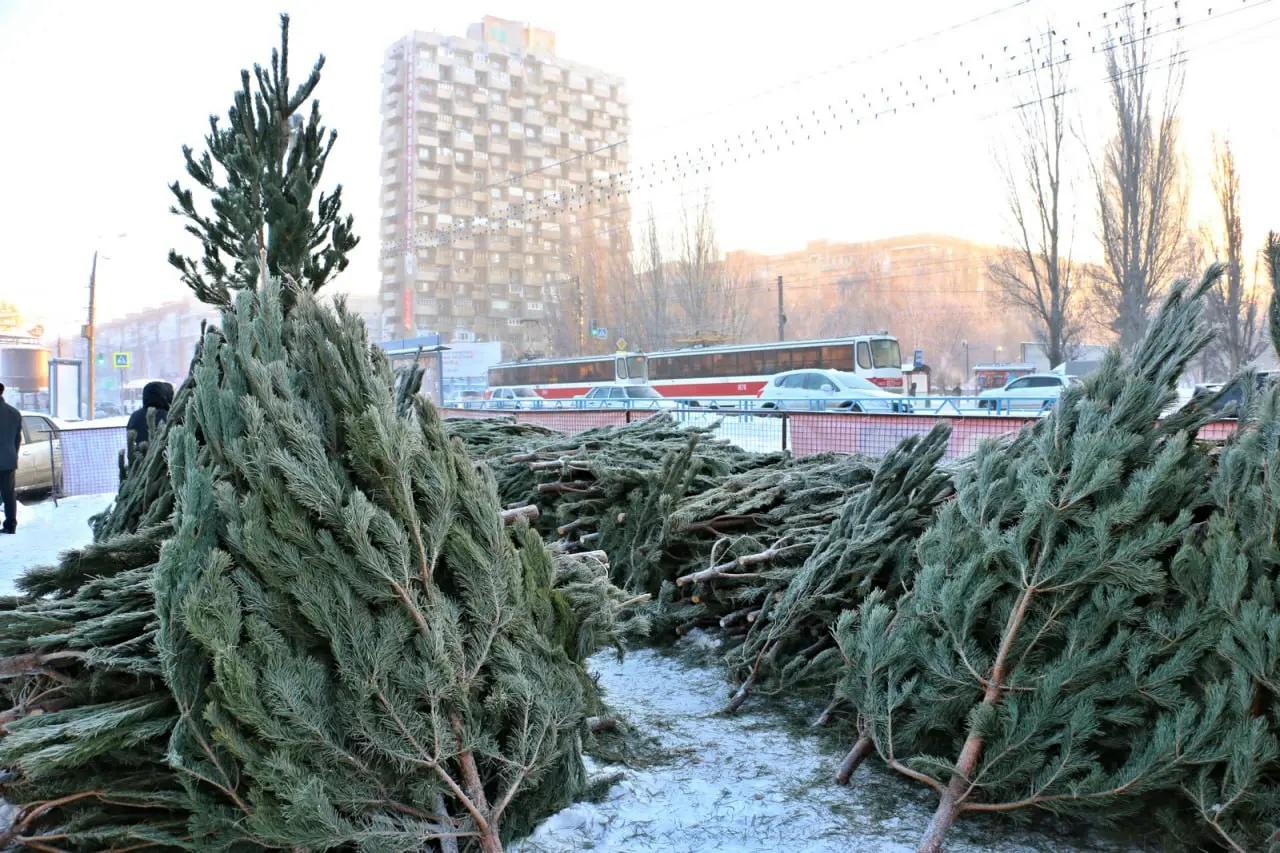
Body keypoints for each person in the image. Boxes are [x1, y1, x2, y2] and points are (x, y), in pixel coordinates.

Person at [126, 381, 175, 447]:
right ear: (163, 395)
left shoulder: (135, 416)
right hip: (165, 455)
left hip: (141, 455)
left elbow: (131, 435)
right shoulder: (169, 416)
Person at [0, 383, 21, 534]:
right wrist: (12, 454)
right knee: (8, 494)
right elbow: (17, 439)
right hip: (8, 460)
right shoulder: (14, 413)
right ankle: (10, 525)